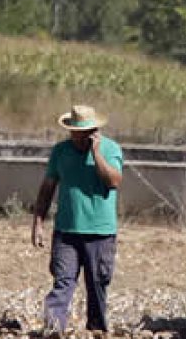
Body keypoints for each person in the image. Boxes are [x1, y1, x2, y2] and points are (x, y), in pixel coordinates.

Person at [31, 105, 124, 335]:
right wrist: (38, 222)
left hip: (100, 233)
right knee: (62, 282)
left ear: (94, 131)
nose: (80, 137)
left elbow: (113, 181)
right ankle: (53, 329)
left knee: (97, 286)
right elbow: (47, 188)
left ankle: (97, 330)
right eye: (76, 132)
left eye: (86, 132)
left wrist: (97, 153)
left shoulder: (110, 149)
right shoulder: (60, 152)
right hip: (67, 232)